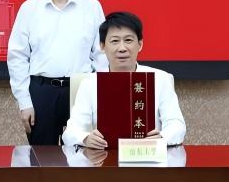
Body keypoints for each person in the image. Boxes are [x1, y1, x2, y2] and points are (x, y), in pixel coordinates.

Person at [7, 0, 107, 145]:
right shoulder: (30, 8)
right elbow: (17, 57)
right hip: (42, 91)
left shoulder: (91, 6)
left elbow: (101, 54)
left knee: (84, 151)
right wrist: (24, 102)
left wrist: (99, 97)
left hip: (81, 89)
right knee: (42, 156)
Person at [62, 11, 186, 148]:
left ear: (140, 44)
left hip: (148, 154)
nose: (122, 48)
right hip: (104, 157)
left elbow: (177, 125)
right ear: (102, 46)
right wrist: (85, 138)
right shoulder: (90, 83)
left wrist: (162, 137)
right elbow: (71, 131)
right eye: (115, 41)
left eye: (128, 40)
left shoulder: (160, 78)